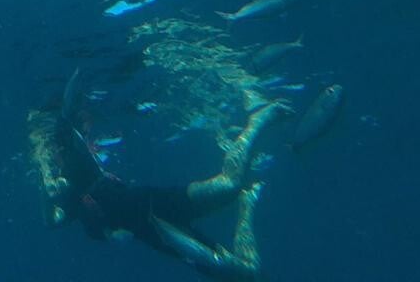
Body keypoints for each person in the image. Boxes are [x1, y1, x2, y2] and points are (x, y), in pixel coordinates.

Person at [29, 72, 281, 279]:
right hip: (155, 234)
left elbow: (67, 123)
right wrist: (46, 186)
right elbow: (51, 221)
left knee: (230, 184)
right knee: (247, 276)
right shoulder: (68, 198)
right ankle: (247, 204)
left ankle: (258, 120)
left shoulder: (72, 155)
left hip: (154, 203)